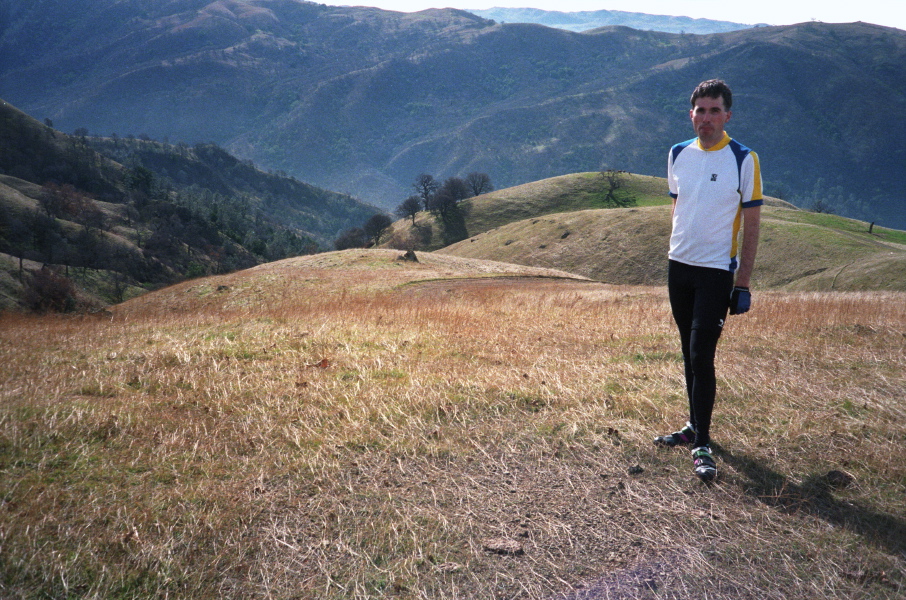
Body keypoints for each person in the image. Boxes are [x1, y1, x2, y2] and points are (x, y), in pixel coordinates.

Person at [655, 79, 763, 482]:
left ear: (727, 115)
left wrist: (743, 282)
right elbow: (678, 207)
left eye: (714, 110)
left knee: (702, 354)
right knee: (688, 351)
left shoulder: (743, 158)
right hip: (678, 267)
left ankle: (702, 442)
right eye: (700, 110)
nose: (706, 117)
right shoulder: (677, 153)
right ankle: (693, 426)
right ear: (691, 114)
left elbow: (752, 224)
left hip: (717, 271)